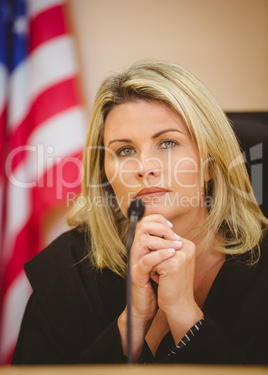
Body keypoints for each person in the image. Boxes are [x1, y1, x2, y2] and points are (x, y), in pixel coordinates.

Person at [12, 61, 268, 365]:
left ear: (211, 164)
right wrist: (132, 322)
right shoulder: (69, 268)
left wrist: (185, 316)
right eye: (125, 151)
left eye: (168, 143)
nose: (144, 167)